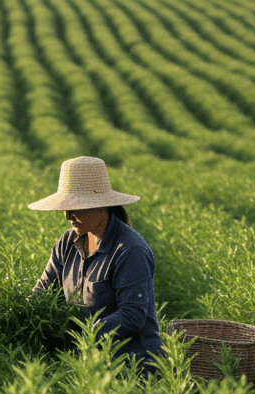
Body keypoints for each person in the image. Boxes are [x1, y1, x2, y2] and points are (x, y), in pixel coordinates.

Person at [29, 156, 164, 376]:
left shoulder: (130, 250)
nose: (67, 215)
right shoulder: (67, 243)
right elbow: (42, 291)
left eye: (74, 207)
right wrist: (22, 313)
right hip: (86, 362)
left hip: (132, 368)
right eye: (65, 208)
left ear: (100, 206)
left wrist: (81, 333)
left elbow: (132, 315)